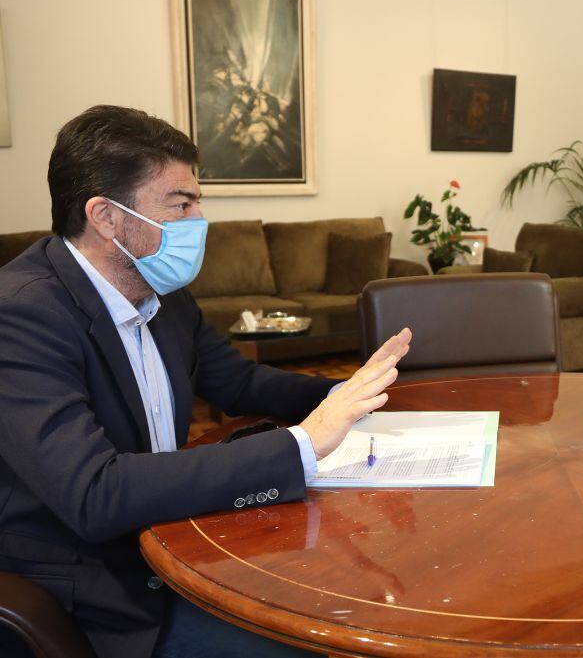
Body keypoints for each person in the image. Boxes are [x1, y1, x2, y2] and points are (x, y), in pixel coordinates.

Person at [0, 105, 412, 658]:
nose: (199, 221)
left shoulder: (160, 292)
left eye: (198, 201)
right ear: (106, 216)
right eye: (181, 203)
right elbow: (95, 493)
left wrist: (347, 394)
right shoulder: (21, 315)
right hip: (107, 597)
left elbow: (238, 382)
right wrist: (305, 443)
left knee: (348, 596)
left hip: (183, 543)